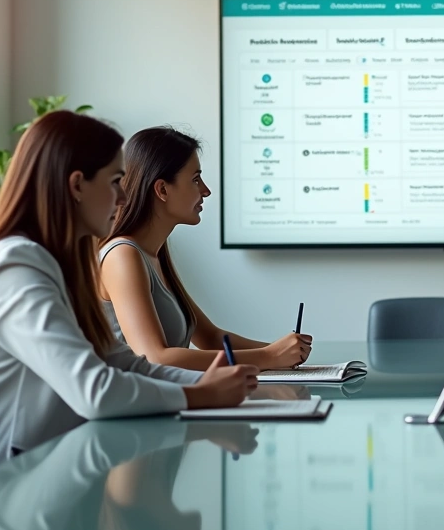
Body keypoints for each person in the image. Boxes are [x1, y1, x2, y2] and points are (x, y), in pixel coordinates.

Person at [0, 112, 258, 484]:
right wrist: (200, 395)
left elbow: (127, 365)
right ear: (77, 186)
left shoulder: (55, 266)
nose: (122, 197)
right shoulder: (13, 269)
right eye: (115, 181)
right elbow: (95, 392)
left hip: (37, 479)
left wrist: (213, 386)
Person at [99, 127, 312, 372]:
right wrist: (268, 357)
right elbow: (156, 358)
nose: (206, 190)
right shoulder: (122, 256)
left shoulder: (155, 255)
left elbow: (210, 338)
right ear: (162, 190)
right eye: (195, 179)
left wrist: (284, 353)